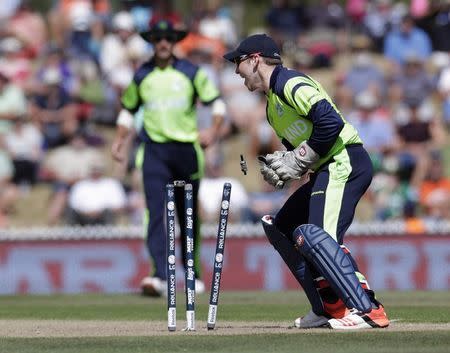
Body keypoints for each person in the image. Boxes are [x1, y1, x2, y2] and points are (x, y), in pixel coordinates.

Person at [223, 34, 389, 330]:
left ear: (255, 59)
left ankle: (367, 309)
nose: (237, 71)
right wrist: (285, 166)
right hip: (324, 169)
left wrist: (298, 157)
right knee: (282, 227)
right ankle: (329, 307)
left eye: (239, 62)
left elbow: (330, 123)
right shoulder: (272, 108)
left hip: (344, 162)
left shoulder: (290, 83)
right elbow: (303, 153)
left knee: (319, 235)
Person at [111, 20, 226, 297]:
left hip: (186, 150)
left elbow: (217, 104)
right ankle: (160, 275)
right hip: (153, 151)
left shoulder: (191, 72)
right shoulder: (142, 74)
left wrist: (213, 130)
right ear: (151, 42)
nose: (163, 43)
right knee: (154, 214)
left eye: (168, 38)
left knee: (187, 213)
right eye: (158, 38)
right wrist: (119, 139)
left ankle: (193, 272)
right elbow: (128, 110)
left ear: (174, 41)